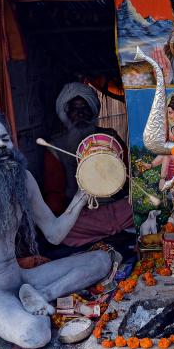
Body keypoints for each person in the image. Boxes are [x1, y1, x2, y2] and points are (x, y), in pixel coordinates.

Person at [0, 100, 113, 349]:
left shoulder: (22, 180)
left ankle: (44, 296)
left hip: (22, 280)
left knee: (101, 260)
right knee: (35, 333)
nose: (1, 146)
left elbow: (55, 234)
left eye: (5, 139)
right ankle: (32, 307)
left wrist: (80, 197)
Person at [43, 82, 133, 252]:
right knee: (62, 229)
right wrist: (59, 216)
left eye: (85, 108)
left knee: (138, 206)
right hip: (81, 214)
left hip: (114, 206)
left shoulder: (109, 137)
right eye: (75, 110)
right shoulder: (54, 147)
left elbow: (128, 176)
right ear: (66, 113)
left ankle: (108, 229)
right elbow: (54, 194)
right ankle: (114, 230)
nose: (81, 114)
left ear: (93, 111)